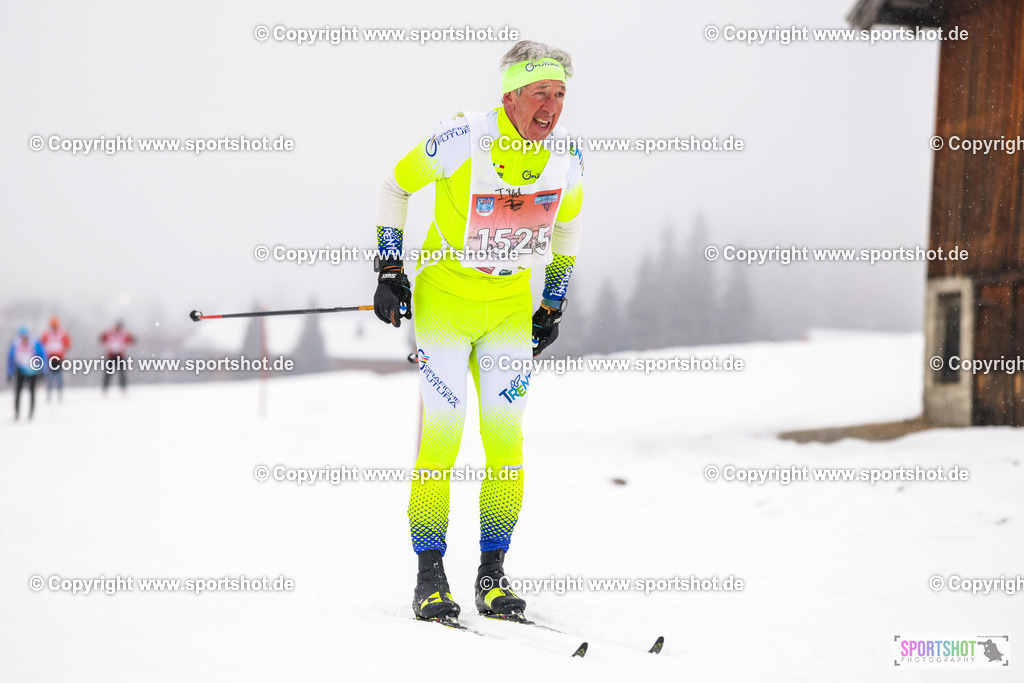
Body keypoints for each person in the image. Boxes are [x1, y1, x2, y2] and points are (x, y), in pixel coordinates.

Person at [372, 40, 584, 624]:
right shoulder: (462, 137)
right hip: (446, 301)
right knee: (442, 439)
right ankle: (430, 576)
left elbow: (566, 227)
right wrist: (391, 270)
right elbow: (396, 186)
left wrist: (553, 304)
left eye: (560, 93)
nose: (552, 106)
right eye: (540, 92)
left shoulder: (565, 155)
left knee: (506, 446)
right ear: (511, 93)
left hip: (510, 308)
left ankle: (493, 572)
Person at [7, 326, 47, 420]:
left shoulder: (34, 343)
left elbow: (42, 356)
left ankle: (31, 414)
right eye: (22, 337)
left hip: (32, 371)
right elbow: (10, 359)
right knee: (18, 393)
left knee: (32, 393)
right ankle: (17, 413)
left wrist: (43, 370)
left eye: (26, 337)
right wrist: (10, 372)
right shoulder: (15, 344)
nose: (24, 339)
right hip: (20, 371)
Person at [41, 316, 72, 401]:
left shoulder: (62, 333)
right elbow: (41, 344)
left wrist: (64, 351)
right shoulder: (46, 334)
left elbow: (68, 344)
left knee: (59, 377)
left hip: (59, 358)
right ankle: (49, 393)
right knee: (49, 377)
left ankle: (60, 392)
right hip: (49, 358)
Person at [99, 320, 135, 393]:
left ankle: (123, 388)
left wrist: (131, 339)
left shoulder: (123, 334)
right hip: (111, 355)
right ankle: (105, 388)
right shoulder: (110, 332)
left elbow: (131, 340)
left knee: (122, 373)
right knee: (108, 373)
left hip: (120, 355)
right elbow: (102, 339)